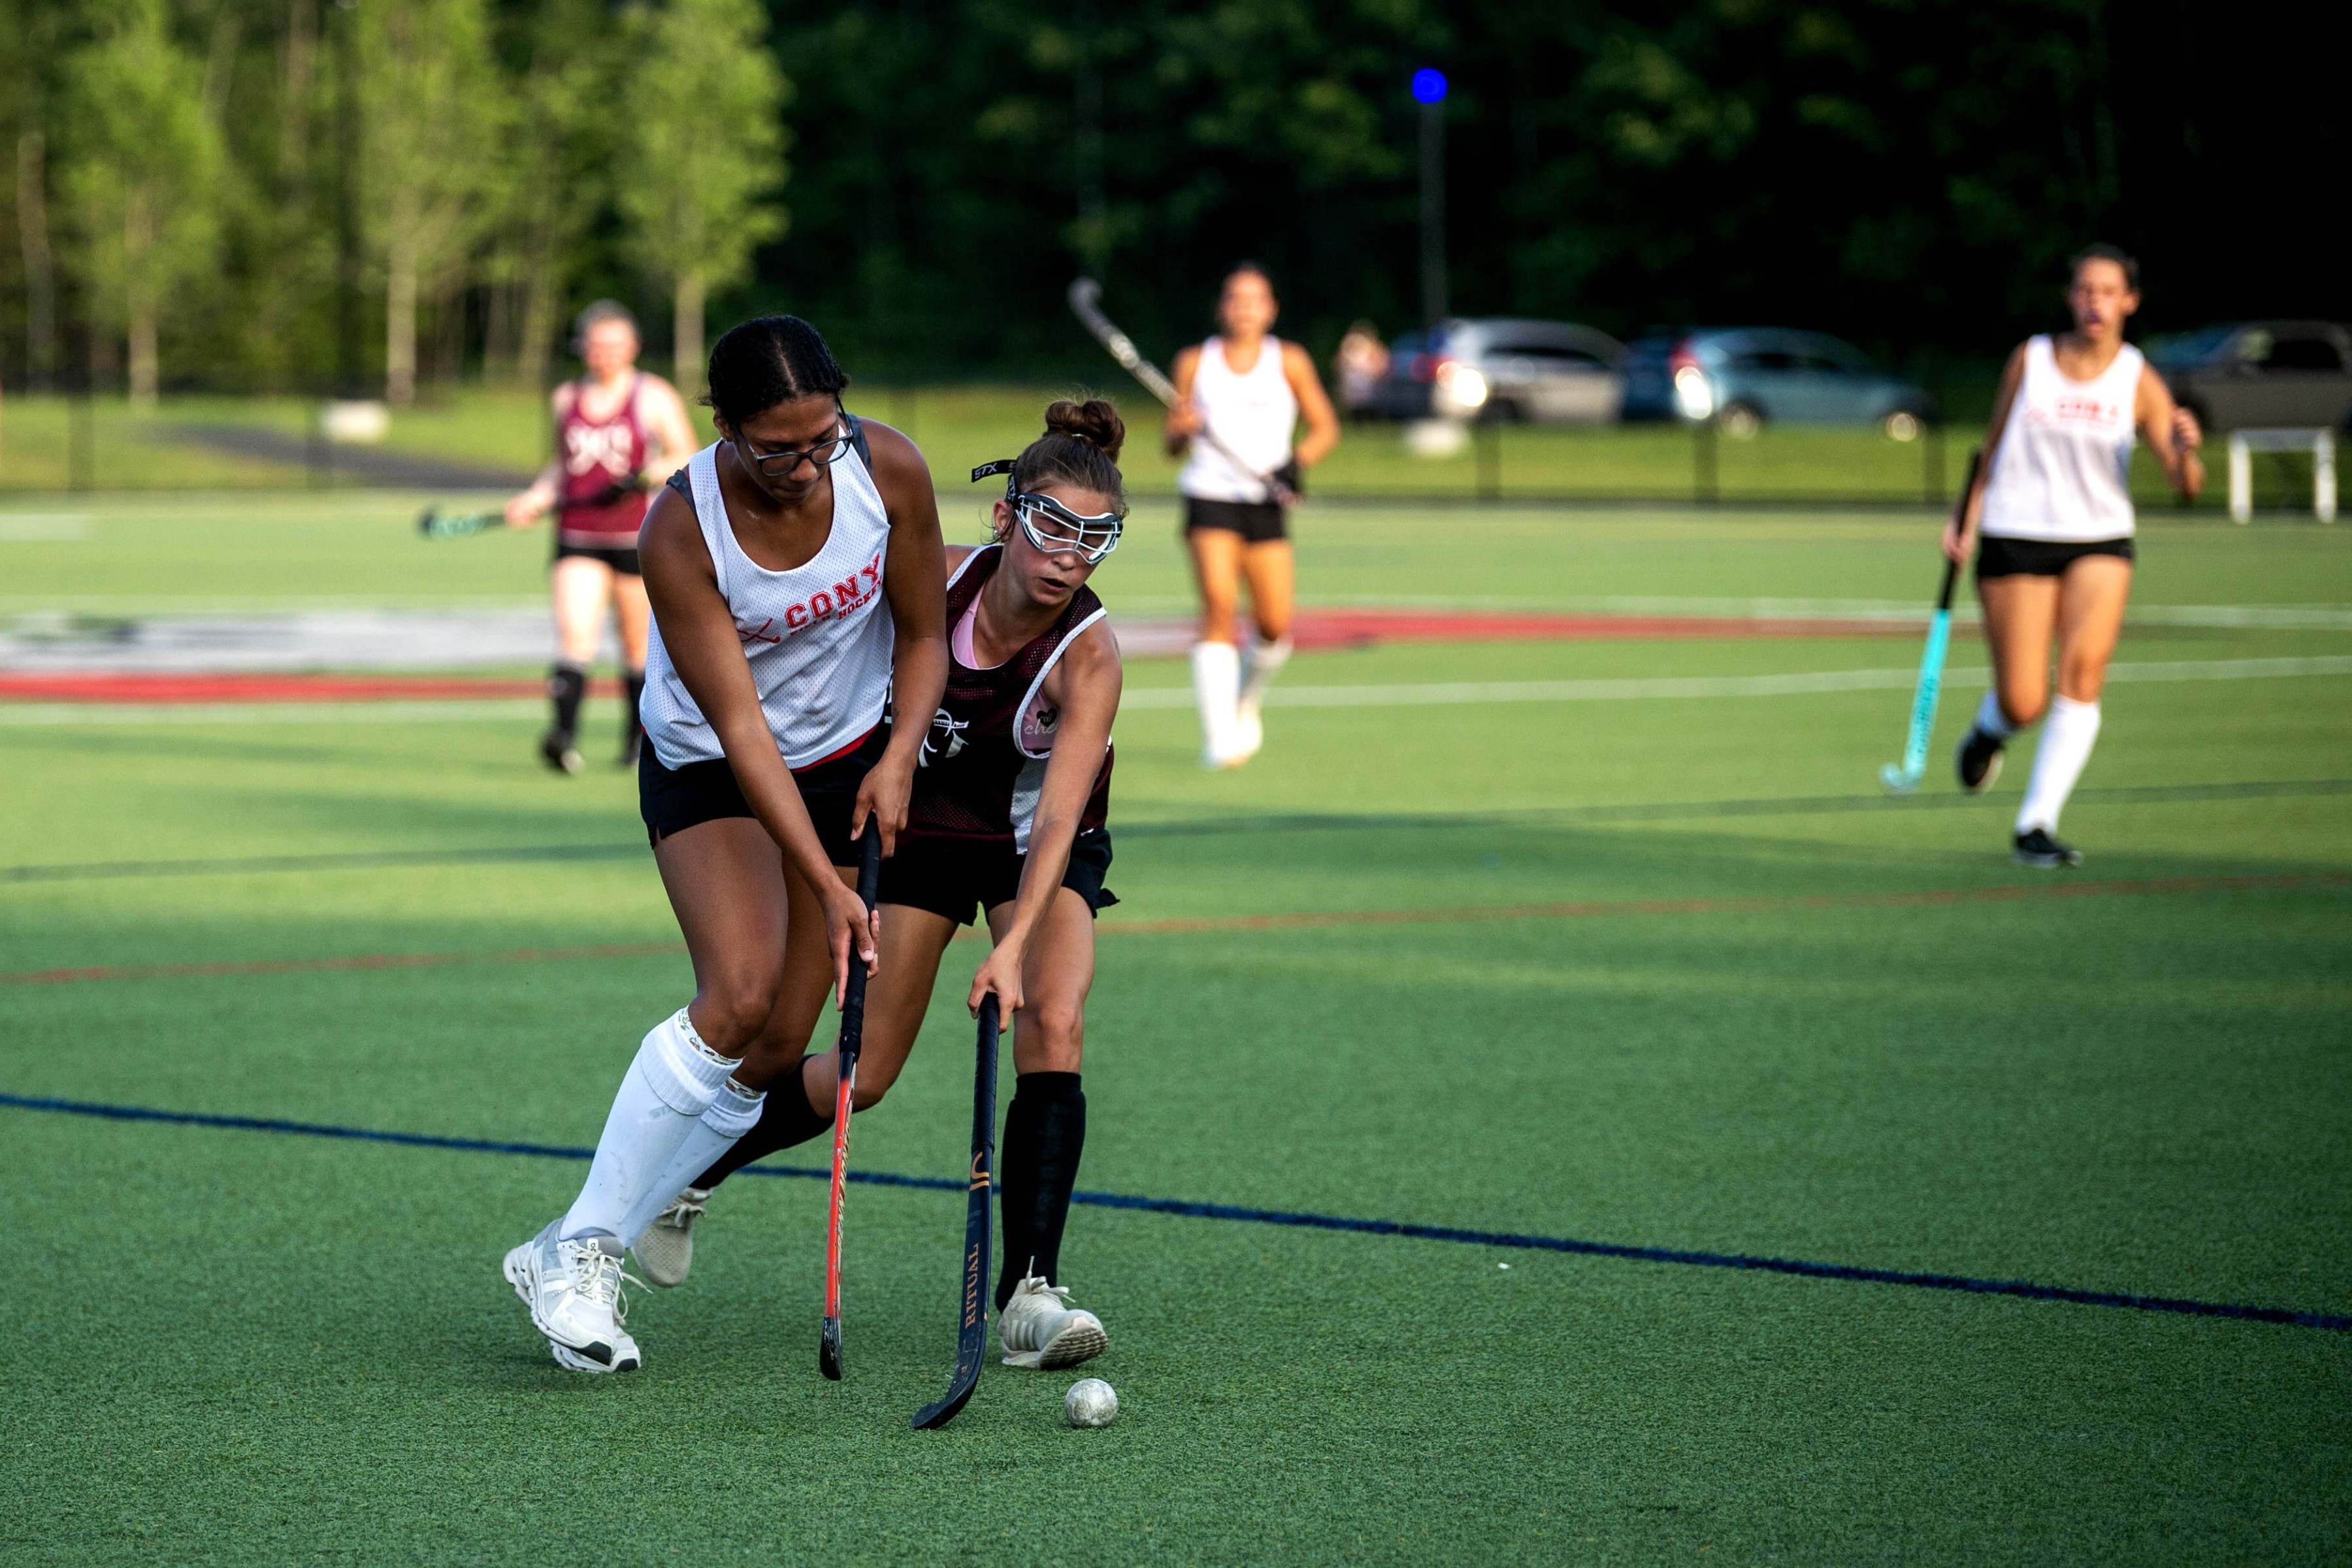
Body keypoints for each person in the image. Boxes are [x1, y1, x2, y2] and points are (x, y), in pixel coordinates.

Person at [632, 399, 1130, 1373]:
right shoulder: (935, 591)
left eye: (1096, 538)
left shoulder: (1092, 658)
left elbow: (1064, 822)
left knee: (1056, 1022)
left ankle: (1030, 1292)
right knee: (868, 1074)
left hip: (1037, 849)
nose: (1071, 553)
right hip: (928, 838)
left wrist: (1015, 947)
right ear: (1007, 517)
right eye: (1053, 526)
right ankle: (690, 1177)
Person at [502, 316, 948, 1373]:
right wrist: (824, 886)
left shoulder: (888, 469)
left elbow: (926, 632)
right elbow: (744, 731)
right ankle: (588, 1252)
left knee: (776, 1049)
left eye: (821, 440)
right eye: (775, 448)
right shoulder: (679, 530)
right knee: (740, 988)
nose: (803, 468)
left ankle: (557, 1250)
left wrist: (899, 758)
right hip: (712, 760)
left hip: (847, 758)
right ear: (723, 427)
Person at [1945, 244, 2203, 866]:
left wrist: (2186, 449)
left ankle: (2035, 825)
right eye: (2085, 290)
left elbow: (2185, 484)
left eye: (2108, 291)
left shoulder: (2138, 378)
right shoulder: (2030, 360)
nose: (2095, 302)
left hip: (2099, 539)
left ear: (2129, 302)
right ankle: (1989, 730)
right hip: (2017, 531)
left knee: (2083, 674)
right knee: (2025, 699)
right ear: (2070, 298)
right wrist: (1965, 519)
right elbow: (1993, 441)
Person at [504, 301, 698, 773]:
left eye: (615, 345)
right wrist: (535, 497)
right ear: (582, 348)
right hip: (578, 534)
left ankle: (637, 741)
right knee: (575, 634)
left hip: (636, 537)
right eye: (596, 345)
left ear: (631, 348)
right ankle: (562, 738)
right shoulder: (565, 398)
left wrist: (642, 475)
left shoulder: (652, 395)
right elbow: (561, 466)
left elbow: (685, 451)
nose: (605, 355)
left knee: (636, 642)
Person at [1164, 264, 1340, 769]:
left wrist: (1294, 464)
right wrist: (1182, 427)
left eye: (1254, 299)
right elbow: (1172, 446)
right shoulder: (1195, 362)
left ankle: (1246, 699)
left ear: (1271, 309)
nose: (1244, 308)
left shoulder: (1290, 361)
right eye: (1234, 298)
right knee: (1218, 607)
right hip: (1209, 496)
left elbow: (1325, 428)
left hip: (1265, 502)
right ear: (1222, 307)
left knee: (1273, 624)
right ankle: (1219, 736)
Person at [1333, 320, 1391, 421]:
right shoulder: (1347, 348)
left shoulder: (1374, 348)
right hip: (1352, 386)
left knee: (1368, 407)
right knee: (1356, 408)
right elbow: (1337, 365)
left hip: (1370, 384)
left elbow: (1382, 365)